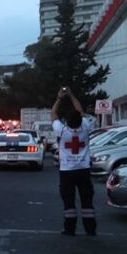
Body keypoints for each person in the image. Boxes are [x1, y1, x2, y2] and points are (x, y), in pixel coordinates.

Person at [52, 87, 96, 236]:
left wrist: (59, 98)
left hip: (67, 171)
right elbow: (80, 111)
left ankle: (69, 228)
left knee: (68, 201)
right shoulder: (85, 127)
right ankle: (90, 229)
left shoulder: (62, 131)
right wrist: (71, 95)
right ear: (79, 119)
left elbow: (53, 115)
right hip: (83, 169)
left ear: (67, 121)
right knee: (87, 201)